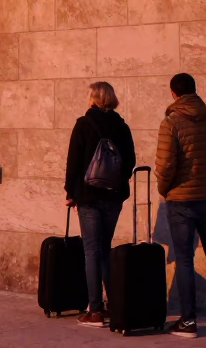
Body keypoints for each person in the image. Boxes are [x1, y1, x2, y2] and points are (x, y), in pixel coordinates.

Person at [155, 72, 206, 338]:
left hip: (181, 200)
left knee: (184, 259)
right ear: (195, 90)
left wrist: (164, 189)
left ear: (173, 94)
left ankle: (188, 322)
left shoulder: (172, 123)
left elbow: (166, 165)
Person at [64, 81, 136, 328]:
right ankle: (113, 306)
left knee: (91, 251)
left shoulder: (83, 125)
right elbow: (130, 162)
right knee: (105, 249)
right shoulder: (122, 126)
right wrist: (115, 181)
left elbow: (73, 161)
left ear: (94, 98)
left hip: (88, 196)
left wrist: (70, 192)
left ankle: (94, 310)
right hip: (113, 196)